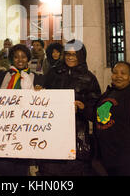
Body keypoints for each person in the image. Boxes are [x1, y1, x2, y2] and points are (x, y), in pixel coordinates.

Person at [38, 39, 101, 176]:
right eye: (67, 54)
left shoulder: (89, 78)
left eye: (74, 54)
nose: (70, 58)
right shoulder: (53, 73)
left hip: (77, 136)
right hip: (52, 133)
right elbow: (42, 98)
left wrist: (83, 108)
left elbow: (97, 112)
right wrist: (38, 92)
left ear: (81, 55)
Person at [0, 43, 44, 176]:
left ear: (28, 59)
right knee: (3, 167)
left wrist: (40, 92)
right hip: (4, 129)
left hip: (26, 130)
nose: (20, 60)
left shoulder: (37, 78)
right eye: (16, 57)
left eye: (23, 57)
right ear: (11, 59)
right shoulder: (1, 76)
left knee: (22, 168)